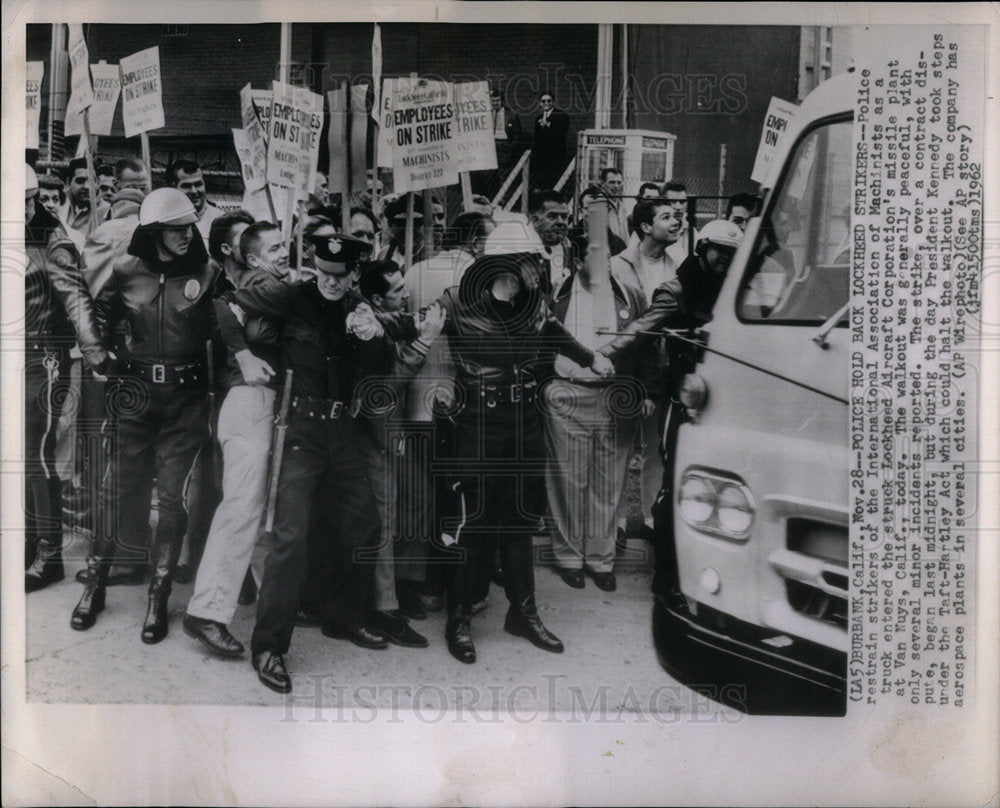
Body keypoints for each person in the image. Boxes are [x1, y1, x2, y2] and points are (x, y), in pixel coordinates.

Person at [228, 236, 393, 694]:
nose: (331, 283)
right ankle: (269, 647)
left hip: (343, 433)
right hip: (299, 432)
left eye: (340, 276)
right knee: (290, 537)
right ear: (314, 269)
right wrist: (241, 353)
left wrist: (375, 337)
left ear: (353, 275)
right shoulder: (291, 295)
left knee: (364, 523)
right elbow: (227, 303)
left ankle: (344, 618)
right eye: (324, 274)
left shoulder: (359, 308)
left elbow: (382, 366)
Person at [436, 246, 615, 664]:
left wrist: (592, 359)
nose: (532, 269)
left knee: (518, 522)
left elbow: (554, 333)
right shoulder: (455, 300)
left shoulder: (533, 303)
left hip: (523, 423)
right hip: (478, 423)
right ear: (498, 263)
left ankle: (523, 612)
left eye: (533, 261)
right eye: (524, 260)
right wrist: (371, 322)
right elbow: (411, 325)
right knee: (472, 522)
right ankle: (458, 618)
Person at [71, 189, 220, 644]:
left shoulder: (208, 273)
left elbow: (226, 326)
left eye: (189, 227)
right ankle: (95, 584)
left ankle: (158, 596)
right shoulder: (126, 269)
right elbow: (100, 314)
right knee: (115, 488)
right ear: (154, 232)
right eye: (175, 229)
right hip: (135, 396)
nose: (185, 235)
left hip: (186, 399)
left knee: (171, 499)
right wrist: (105, 358)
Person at [182, 220, 301, 660]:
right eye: (274, 247)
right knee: (243, 508)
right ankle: (207, 612)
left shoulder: (268, 280)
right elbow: (216, 307)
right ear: (251, 259)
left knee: (258, 508)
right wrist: (244, 355)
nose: (284, 251)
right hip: (250, 401)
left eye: (285, 243)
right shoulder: (262, 283)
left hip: (263, 402)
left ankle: (256, 602)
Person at [544, 198, 649, 592]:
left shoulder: (632, 297)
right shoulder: (557, 292)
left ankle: (601, 560)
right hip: (566, 397)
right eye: (592, 253)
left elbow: (644, 348)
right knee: (568, 482)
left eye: (606, 254)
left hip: (613, 400)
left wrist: (646, 392)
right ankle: (569, 556)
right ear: (577, 256)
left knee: (609, 485)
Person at [395, 212, 493, 618]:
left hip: (417, 399)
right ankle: (449, 584)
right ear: (474, 241)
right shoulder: (478, 275)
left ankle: (419, 584)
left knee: (421, 497)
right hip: (457, 402)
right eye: (487, 241)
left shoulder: (416, 270)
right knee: (455, 498)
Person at [355, 260, 450, 647]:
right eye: (397, 291)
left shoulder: (393, 319)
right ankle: (385, 608)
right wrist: (424, 342)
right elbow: (385, 385)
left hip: (396, 427)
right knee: (386, 513)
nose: (406, 294)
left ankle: (407, 582)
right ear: (377, 298)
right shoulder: (365, 326)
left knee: (419, 497)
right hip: (373, 430)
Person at [24, 165, 110, 593]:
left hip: (44, 355)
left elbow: (77, 299)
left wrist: (94, 352)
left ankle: (49, 551)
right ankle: (26, 541)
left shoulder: (52, 240)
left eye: (27, 201)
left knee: (36, 453)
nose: (22, 211)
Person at [610, 199, 684, 539]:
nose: (676, 220)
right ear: (644, 226)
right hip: (626, 366)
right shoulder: (617, 265)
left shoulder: (680, 263)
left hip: (664, 366)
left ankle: (652, 517)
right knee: (621, 443)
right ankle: (617, 521)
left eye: (677, 216)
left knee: (658, 443)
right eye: (666, 216)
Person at [528, 190, 575, 296]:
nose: (561, 222)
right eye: (552, 216)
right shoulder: (522, 250)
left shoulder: (570, 250)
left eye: (564, 217)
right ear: (535, 221)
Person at [167, 159, 224, 242]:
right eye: (186, 186)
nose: (194, 191)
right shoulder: (164, 221)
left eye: (198, 184)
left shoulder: (220, 221)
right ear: (173, 189)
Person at [530, 92, 569, 191]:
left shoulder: (561, 115)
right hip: (542, 157)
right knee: (542, 183)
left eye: (549, 101)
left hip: (555, 156)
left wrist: (548, 125)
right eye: (543, 101)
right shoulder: (538, 118)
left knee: (554, 182)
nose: (546, 103)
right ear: (540, 103)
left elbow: (563, 132)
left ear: (553, 102)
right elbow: (536, 138)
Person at [60, 157, 108, 238]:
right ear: (68, 182)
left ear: (98, 182)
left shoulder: (106, 213)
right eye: (80, 181)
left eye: (91, 181)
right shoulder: (60, 206)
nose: (87, 187)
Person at [599, 168, 629, 246]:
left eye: (619, 182)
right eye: (612, 182)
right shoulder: (599, 205)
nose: (616, 186)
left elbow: (625, 234)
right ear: (602, 183)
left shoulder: (621, 205)